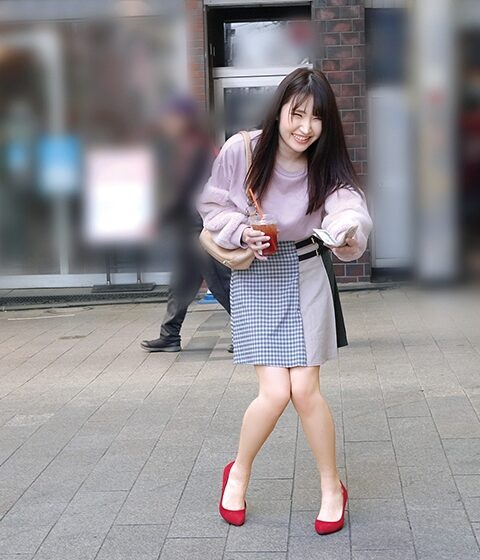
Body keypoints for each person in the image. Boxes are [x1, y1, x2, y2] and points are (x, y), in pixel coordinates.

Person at [197, 68, 373, 533]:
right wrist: (241, 231)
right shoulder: (243, 150)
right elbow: (213, 207)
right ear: (279, 111)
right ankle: (238, 473)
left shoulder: (326, 162)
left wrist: (346, 228)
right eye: (297, 114)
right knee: (275, 392)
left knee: (305, 389)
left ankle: (331, 487)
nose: (305, 127)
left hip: (307, 271)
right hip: (257, 277)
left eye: (316, 118)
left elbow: (349, 206)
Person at [141, 96, 232, 353]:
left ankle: (250, 334)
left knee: (221, 284)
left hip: (203, 227)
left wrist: (159, 219)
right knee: (181, 283)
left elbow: (185, 191)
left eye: (172, 118)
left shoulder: (198, 148)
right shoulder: (185, 146)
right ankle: (169, 336)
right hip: (189, 226)